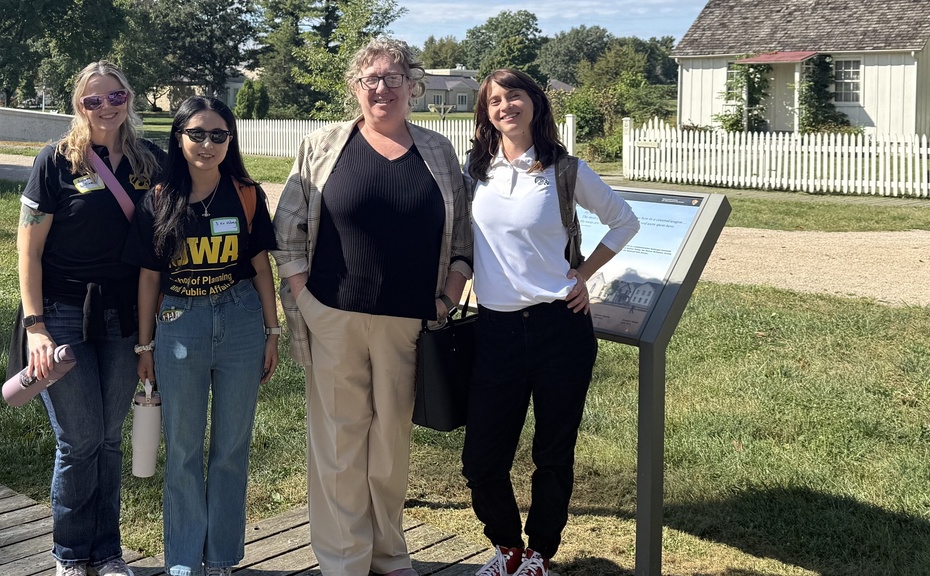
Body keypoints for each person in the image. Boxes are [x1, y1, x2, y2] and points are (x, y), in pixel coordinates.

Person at [271, 37, 472, 576]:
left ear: (413, 85)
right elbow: (287, 229)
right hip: (333, 315)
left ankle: (388, 552)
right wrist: (305, 297)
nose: (381, 88)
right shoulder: (322, 145)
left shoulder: (437, 152)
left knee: (389, 446)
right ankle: (344, 560)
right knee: (339, 446)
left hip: (410, 322)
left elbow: (462, 239)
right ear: (355, 89)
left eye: (392, 78)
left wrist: (447, 298)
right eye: (370, 79)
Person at [462, 69, 640, 576]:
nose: (505, 106)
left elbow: (624, 220)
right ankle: (506, 547)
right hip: (494, 330)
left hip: (560, 328)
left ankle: (538, 554)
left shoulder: (564, 169)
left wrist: (582, 274)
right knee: (481, 459)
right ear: (485, 113)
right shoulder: (475, 171)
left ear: (535, 104)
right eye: (494, 100)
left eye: (514, 95)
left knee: (553, 453)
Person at [14, 60, 165, 576]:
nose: (106, 107)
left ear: (130, 98)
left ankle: (107, 552)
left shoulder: (151, 163)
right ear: (78, 106)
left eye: (115, 96)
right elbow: (28, 252)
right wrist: (35, 325)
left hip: (125, 318)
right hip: (59, 313)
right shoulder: (55, 162)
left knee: (107, 438)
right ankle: (71, 554)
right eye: (93, 100)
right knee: (79, 440)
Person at [123, 96, 279, 576]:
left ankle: (224, 558)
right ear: (178, 137)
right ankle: (185, 560)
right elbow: (149, 277)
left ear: (230, 141)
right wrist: (144, 346)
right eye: (197, 134)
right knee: (184, 451)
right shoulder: (158, 197)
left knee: (231, 448)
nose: (207, 144)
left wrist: (273, 331)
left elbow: (259, 267)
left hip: (240, 323)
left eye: (218, 135)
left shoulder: (247, 194)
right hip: (178, 326)